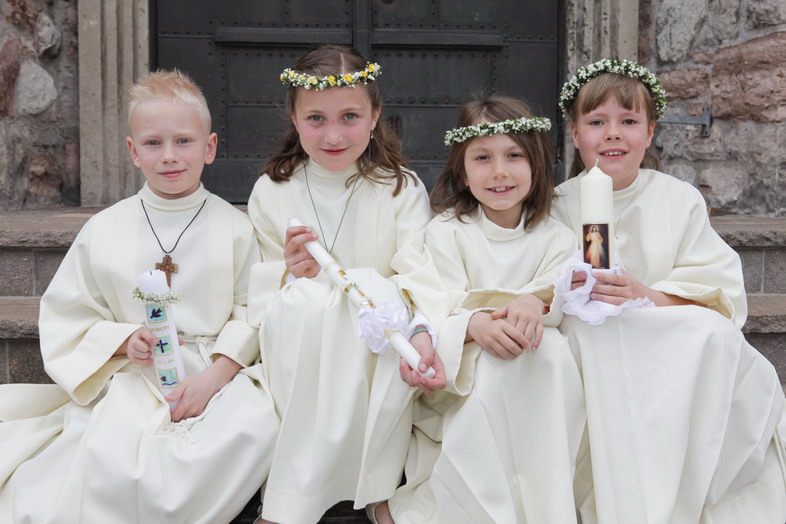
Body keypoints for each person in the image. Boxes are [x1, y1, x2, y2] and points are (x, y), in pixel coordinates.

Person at [0, 70, 278, 523]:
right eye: (153, 143)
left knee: (253, 425)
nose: (169, 155)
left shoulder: (235, 228)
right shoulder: (105, 228)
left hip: (215, 370)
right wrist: (124, 339)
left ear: (209, 147)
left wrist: (216, 375)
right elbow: (68, 315)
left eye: (183, 141)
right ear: (133, 151)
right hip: (135, 374)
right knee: (113, 451)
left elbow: (253, 311)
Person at [553, 58, 786, 523]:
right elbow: (541, 274)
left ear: (650, 132)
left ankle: (684, 480)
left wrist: (643, 293)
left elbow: (714, 287)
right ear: (575, 134)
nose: (613, 134)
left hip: (661, 328)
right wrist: (571, 286)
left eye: (628, 121)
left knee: (715, 337)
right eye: (596, 122)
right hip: (591, 338)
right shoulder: (557, 204)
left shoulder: (678, 198)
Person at [246, 45, 447, 524]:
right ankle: (294, 497)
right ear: (294, 118)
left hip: (374, 343)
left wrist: (419, 330)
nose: (333, 135)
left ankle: (374, 485)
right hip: (302, 339)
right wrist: (288, 271)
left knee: (375, 298)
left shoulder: (400, 188)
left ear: (375, 116)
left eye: (350, 117)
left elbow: (418, 276)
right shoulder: (273, 190)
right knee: (307, 305)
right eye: (316, 118)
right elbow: (256, 289)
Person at [383, 96, 585, 523]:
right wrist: (473, 324)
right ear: (462, 170)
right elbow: (433, 299)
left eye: (514, 155)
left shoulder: (557, 237)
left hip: (532, 368)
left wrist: (533, 301)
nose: (499, 171)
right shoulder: (447, 233)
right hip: (466, 368)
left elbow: (561, 291)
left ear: (536, 163)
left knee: (549, 353)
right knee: (496, 371)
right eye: (482, 158)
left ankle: (543, 506)